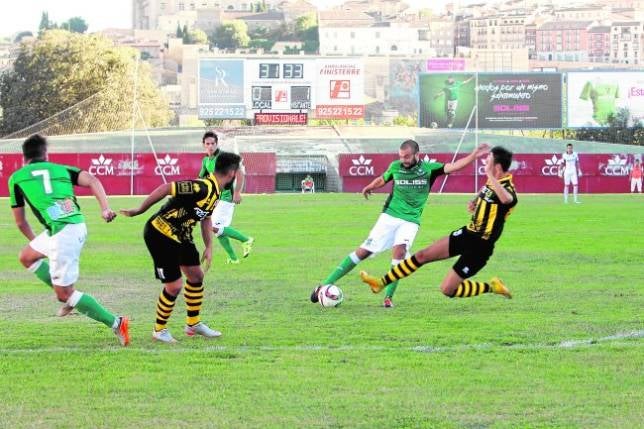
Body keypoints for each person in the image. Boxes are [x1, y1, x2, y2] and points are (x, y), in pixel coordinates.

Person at [310, 139, 490, 308]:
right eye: (401, 156)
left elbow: (454, 166)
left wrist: (473, 156)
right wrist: (370, 186)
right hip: (389, 216)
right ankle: (325, 284)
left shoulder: (429, 169)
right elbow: (383, 179)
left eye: (407, 156)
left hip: (411, 220)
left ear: (416, 155)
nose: (403, 159)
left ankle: (388, 297)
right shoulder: (395, 166)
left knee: (400, 251)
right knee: (363, 251)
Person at [8, 134, 129, 346]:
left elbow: (20, 222)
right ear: (46, 155)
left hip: (63, 234)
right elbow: (92, 180)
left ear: (24, 158)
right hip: (70, 226)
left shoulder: (17, 177)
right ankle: (68, 296)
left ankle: (116, 322)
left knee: (64, 294)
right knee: (27, 256)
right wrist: (105, 208)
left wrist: (41, 241)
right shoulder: (61, 169)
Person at [360, 146, 516, 302]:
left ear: (497, 166)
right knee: (422, 255)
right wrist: (475, 201)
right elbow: (486, 190)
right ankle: (380, 283)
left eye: (488, 159)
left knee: (447, 289)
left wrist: (489, 173)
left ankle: (493, 287)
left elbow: (507, 199)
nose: (485, 161)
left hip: (481, 246)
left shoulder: (507, 188)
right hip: (467, 234)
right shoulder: (492, 182)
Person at [120, 151, 241, 343]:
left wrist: (209, 246)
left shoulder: (216, 190)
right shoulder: (201, 186)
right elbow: (167, 187)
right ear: (232, 173)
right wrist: (139, 210)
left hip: (182, 235)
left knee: (196, 276)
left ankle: (193, 324)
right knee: (174, 285)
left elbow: (206, 218)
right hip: (160, 232)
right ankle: (159, 330)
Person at [199, 131, 254, 265]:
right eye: (208, 144)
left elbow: (240, 173)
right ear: (204, 145)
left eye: (213, 143)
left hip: (226, 196)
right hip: (215, 197)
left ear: (217, 144)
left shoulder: (224, 157)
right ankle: (233, 258)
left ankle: (246, 239)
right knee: (218, 230)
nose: (210, 146)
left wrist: (237, 192)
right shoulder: (206, 160)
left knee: (214, 226)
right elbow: (201, 178)